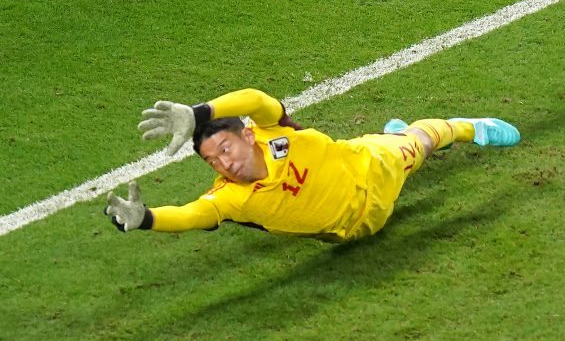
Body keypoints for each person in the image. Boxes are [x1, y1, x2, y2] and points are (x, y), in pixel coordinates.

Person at [104, 88, 520, 243]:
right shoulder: (231, 197)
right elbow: (195, 214)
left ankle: (469, 127)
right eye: (213, 161)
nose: (224, 163)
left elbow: (257, 99)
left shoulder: (274, 131)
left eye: (226, 148)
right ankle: (393, 132)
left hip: (370, 168)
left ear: (248, 135)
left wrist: (200, 113)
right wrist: (148, 219)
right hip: (353, 229)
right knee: (401, 141)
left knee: (421, 142)